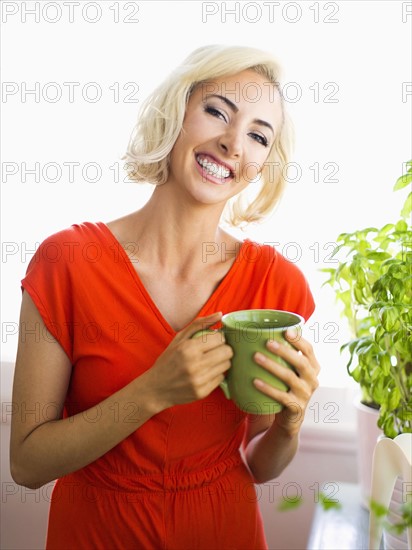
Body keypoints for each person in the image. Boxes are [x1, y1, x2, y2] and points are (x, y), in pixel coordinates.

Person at [10, 44, 320, 549]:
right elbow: (26, 464)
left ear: (262, 164)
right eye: (217, 111)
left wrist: (289, 423)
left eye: (258, 136)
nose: (232, 143)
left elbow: (258, 465)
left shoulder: (276, 285)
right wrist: (153, 391)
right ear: (176, 111)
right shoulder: (65, 262)